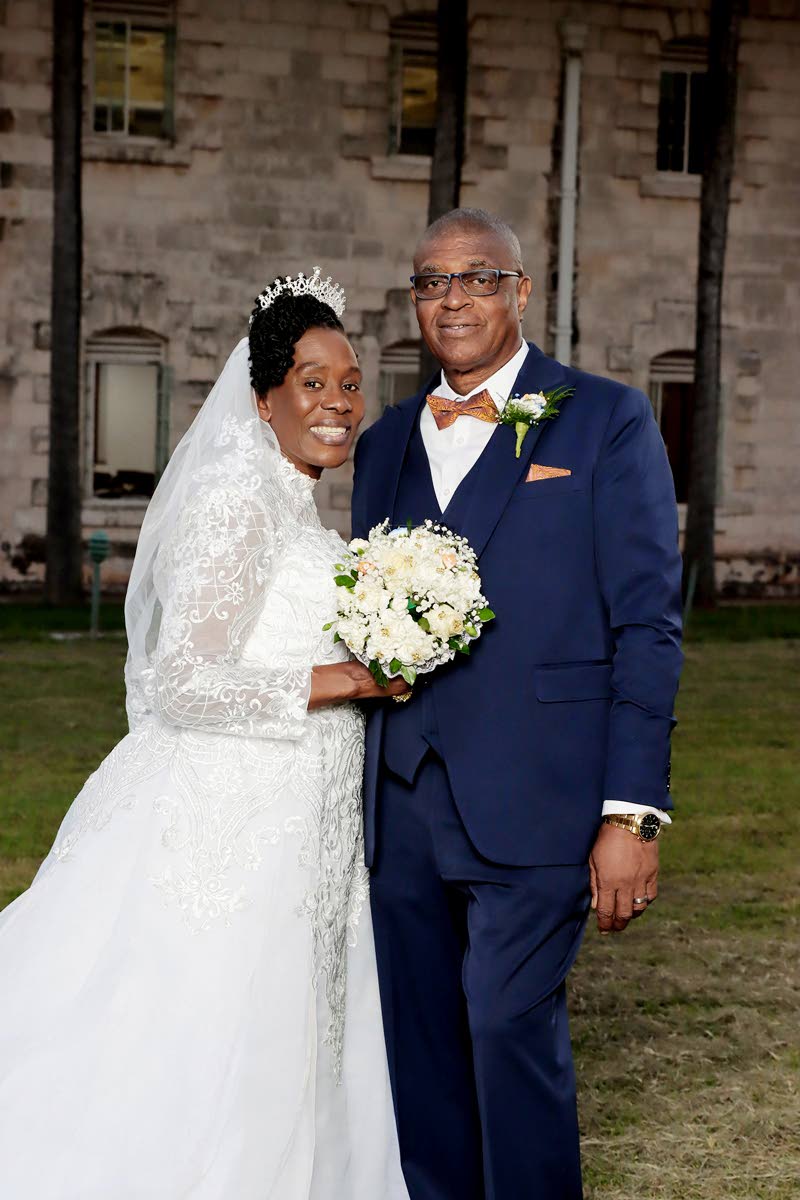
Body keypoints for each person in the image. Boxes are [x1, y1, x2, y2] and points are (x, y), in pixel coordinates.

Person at [0, 271, 409, 1199]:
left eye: (351, 383)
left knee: (286, 1025)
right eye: (313, 381)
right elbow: (183, 680)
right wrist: (352, 677)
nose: (339, 402)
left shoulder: (289, 495)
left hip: (304, 813)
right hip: (233, 816)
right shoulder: (238, 496)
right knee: (206, 1026)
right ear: (263, 397)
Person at [352, 209, 683, 1200]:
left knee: (504, 1026)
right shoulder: (380, 444)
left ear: (520, 291)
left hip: (540, 794)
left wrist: (630, 812)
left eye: (476, 277)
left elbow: (646, 624)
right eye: (430, 281)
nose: (451, 298)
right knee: (420, 1050)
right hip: (402, 795)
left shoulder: (605, 418)